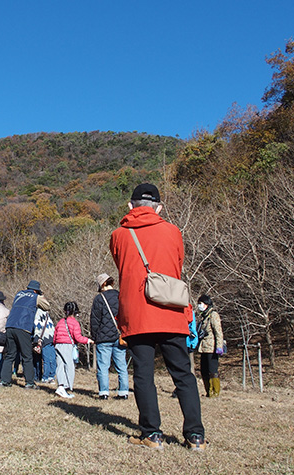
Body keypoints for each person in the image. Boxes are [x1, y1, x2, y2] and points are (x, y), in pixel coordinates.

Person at [110, 183, 206, 451]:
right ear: (159, 208)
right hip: (171, 312)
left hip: (138, 313)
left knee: (143, 375)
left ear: (130, 206)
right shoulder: (174, 232)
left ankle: (152, 434)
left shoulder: (118, 235)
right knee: (183, 375)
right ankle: (195, 436)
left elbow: (122, 267)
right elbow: (176, 265)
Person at [0, 280, 50, 389]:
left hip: (10, 325)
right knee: (27, 356)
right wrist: (42, 296)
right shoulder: (35, 296)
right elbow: (47, 306)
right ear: (36, 290)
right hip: (23, 327)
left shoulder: (19, 294)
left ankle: (4, 381)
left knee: (10, 355)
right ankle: (30, 383)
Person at [91, 273, 129, 400]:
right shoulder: (121, 296)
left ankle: (104, 392)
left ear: (102, 285)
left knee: (103, 366)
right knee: (122, 366)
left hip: (103, 338)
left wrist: (95, 336)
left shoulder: (99, 299)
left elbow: (95, 320)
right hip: (119, 336)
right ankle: (123, 392)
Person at [53, 301, 93, 398]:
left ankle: (60, 386)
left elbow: (55, 335)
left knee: (60, 366)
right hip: (67, 345)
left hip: (58, 345)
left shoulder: (61, 321)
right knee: (69, 366)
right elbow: (78, 337)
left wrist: (55, 343)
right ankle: (65, 387)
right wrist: (88, 340)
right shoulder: (74, 323)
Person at [196, 295, 224, 397]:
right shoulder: (203, 316)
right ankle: (208, 391)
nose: (199, 306)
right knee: (204, 370)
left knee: (213, 370)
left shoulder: (213, 315)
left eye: (201, 303)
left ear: (206, 304)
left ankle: (215, 392)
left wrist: (219, 346)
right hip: (203, 347)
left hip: (212, 347)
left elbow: (218, 332)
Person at [32, 305, 55, 383]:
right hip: (51, 337)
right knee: (52, 358)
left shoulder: (37, 314)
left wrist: (37, 339)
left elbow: (38, 327)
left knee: (46, 360)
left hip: (45, 338)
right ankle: (51, 376)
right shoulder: (46, 314)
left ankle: (45, 377)